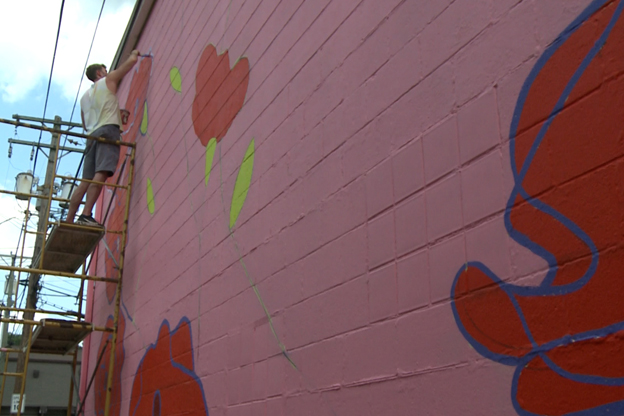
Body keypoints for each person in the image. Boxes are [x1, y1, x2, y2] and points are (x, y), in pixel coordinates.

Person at [66, 50, 140, 226]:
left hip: (91, 135)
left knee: (85, 180)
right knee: (101, 172)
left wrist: (113, 113)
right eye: (104, 69)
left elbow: (85, 124)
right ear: (99, 73)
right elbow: (129, 64)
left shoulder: (85, 97)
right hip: (108, 131)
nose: (107, 72)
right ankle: (86, 215)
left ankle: (69, 219)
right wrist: (134, 54)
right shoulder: (107, 81)